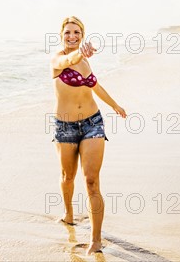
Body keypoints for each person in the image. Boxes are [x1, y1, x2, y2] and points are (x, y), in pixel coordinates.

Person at [49, 16, 126, 255]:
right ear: (61, 35)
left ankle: (96, 239)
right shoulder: (57, 59)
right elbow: (69, 59)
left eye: (77, 33)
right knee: (67, 177)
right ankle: (69, 213)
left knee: (92, 182)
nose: (72, 37)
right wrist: (80, 53)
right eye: (68, 33)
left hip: (93, 122)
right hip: (66, 127)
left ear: (82, 36)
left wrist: (115, 105)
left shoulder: (85, 62)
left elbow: (95, 85)